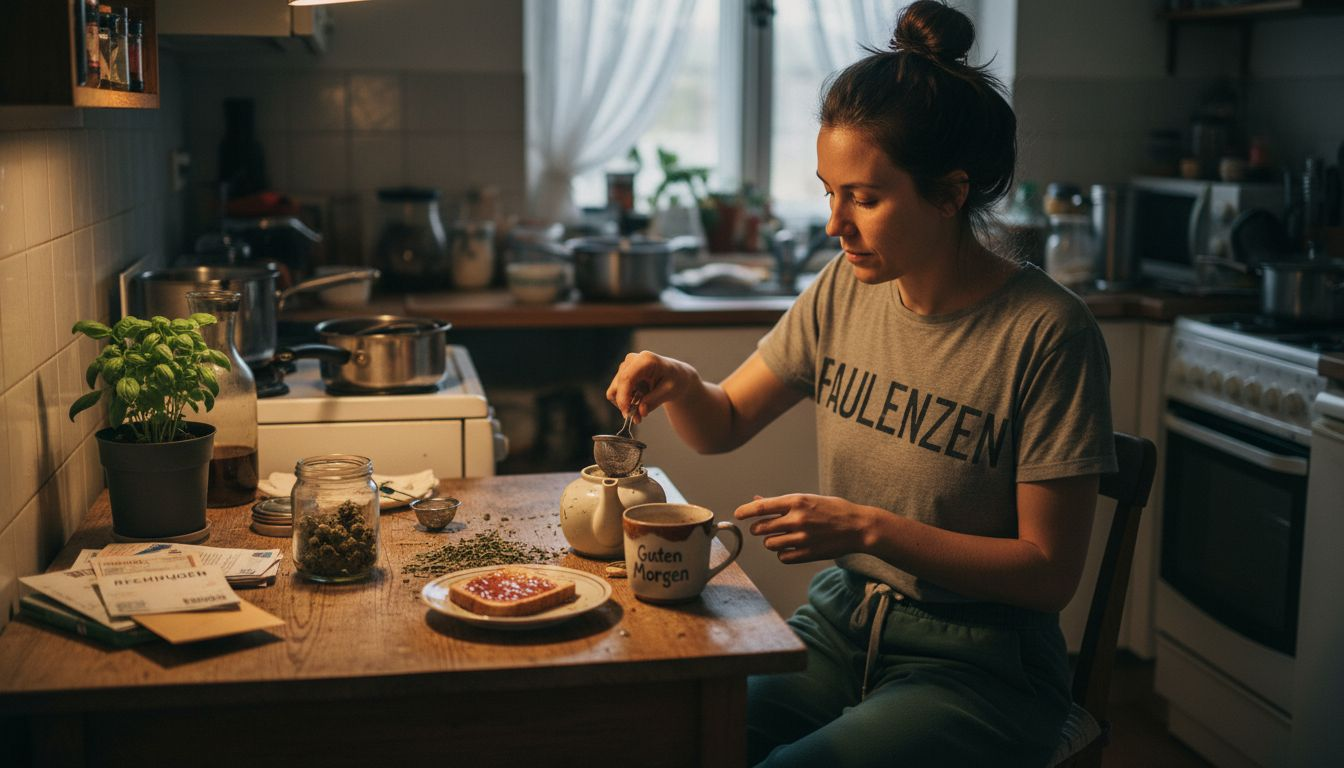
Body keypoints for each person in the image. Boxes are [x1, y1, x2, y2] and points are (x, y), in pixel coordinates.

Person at [604, 2, 1116, 766]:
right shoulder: (846, 289)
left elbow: (1049, 574)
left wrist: (868, 529)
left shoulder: (1047, 333)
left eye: (865, 199)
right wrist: (680, 383)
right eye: (828, 191)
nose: (835, 224)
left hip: (981, 667)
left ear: (949, 193)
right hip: (842, 626)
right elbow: (725, 423)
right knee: (674, 735)